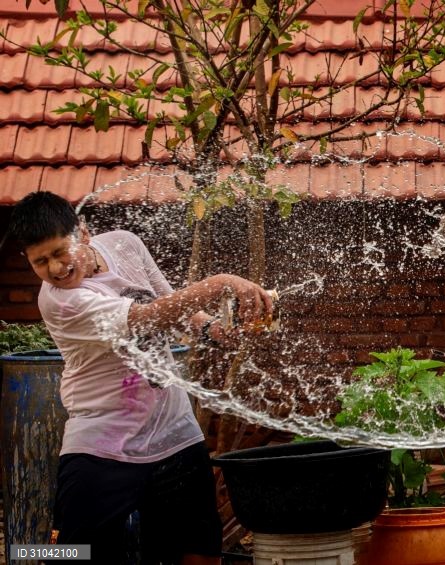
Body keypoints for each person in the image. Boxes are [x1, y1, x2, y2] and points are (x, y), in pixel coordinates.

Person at [8, 190, 274, 565]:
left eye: (59, 252)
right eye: (40, 262)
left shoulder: (125, 244)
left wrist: (216, 332)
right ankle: (18, 555)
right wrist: (223, 282)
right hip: (102, 444)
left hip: (175, 434)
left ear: (82, 232)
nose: (54, 269)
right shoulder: (60, 301)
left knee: (201, 550)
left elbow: (171, 305)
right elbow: (148, 318)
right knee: (73, 554)